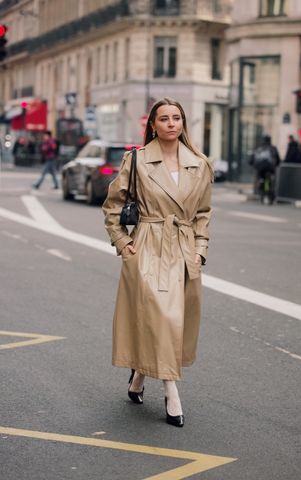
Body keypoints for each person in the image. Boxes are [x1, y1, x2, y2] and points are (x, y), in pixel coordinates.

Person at [102, 98, 213, 427]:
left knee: (171, 321)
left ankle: (138, 378)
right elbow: (112, 206)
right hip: (147, 247)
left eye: (176, 118)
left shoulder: (199, 163)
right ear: (152, 124)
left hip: (183, 249)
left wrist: (200, 249)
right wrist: (124, 243)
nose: (171, 124)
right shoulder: (136, 160)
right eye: (164, 119)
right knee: (161, 318)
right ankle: (171, 392)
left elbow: (203, 213)